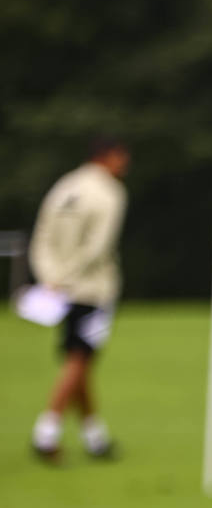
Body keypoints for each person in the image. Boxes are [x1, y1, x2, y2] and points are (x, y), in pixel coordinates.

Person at [29, 137, 130, 462]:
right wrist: (66, 278)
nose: (124, 164)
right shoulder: (110, 192)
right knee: (80, 359)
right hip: (92, 289)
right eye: (121, 157)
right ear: (108, 157)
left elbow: (42, 236)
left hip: (58, 288)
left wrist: (50, 277)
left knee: (80, 358)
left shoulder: (64, 186)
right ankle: (46, 432)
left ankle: (94, 438)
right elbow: (98, 247)